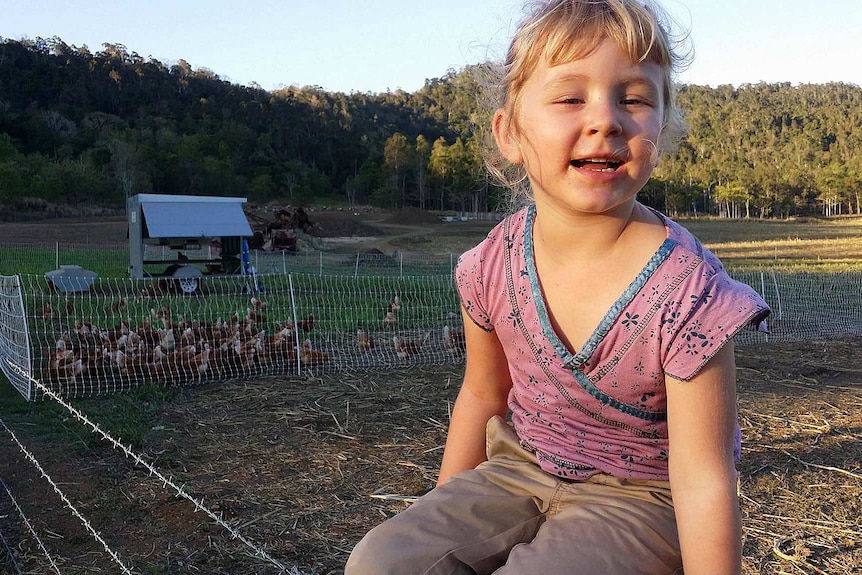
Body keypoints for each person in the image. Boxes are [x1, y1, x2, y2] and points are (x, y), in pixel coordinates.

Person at [346, 0, 770, 573]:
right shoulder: (491, 266)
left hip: (642, 495)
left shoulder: (689, 295)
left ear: (662, 129)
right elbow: (482, 395)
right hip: (518, 465)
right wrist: (439, 504)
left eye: (636, 98)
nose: (606, 119)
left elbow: (703, 477)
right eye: (571, 98)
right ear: (510, 132)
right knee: (382, 560)